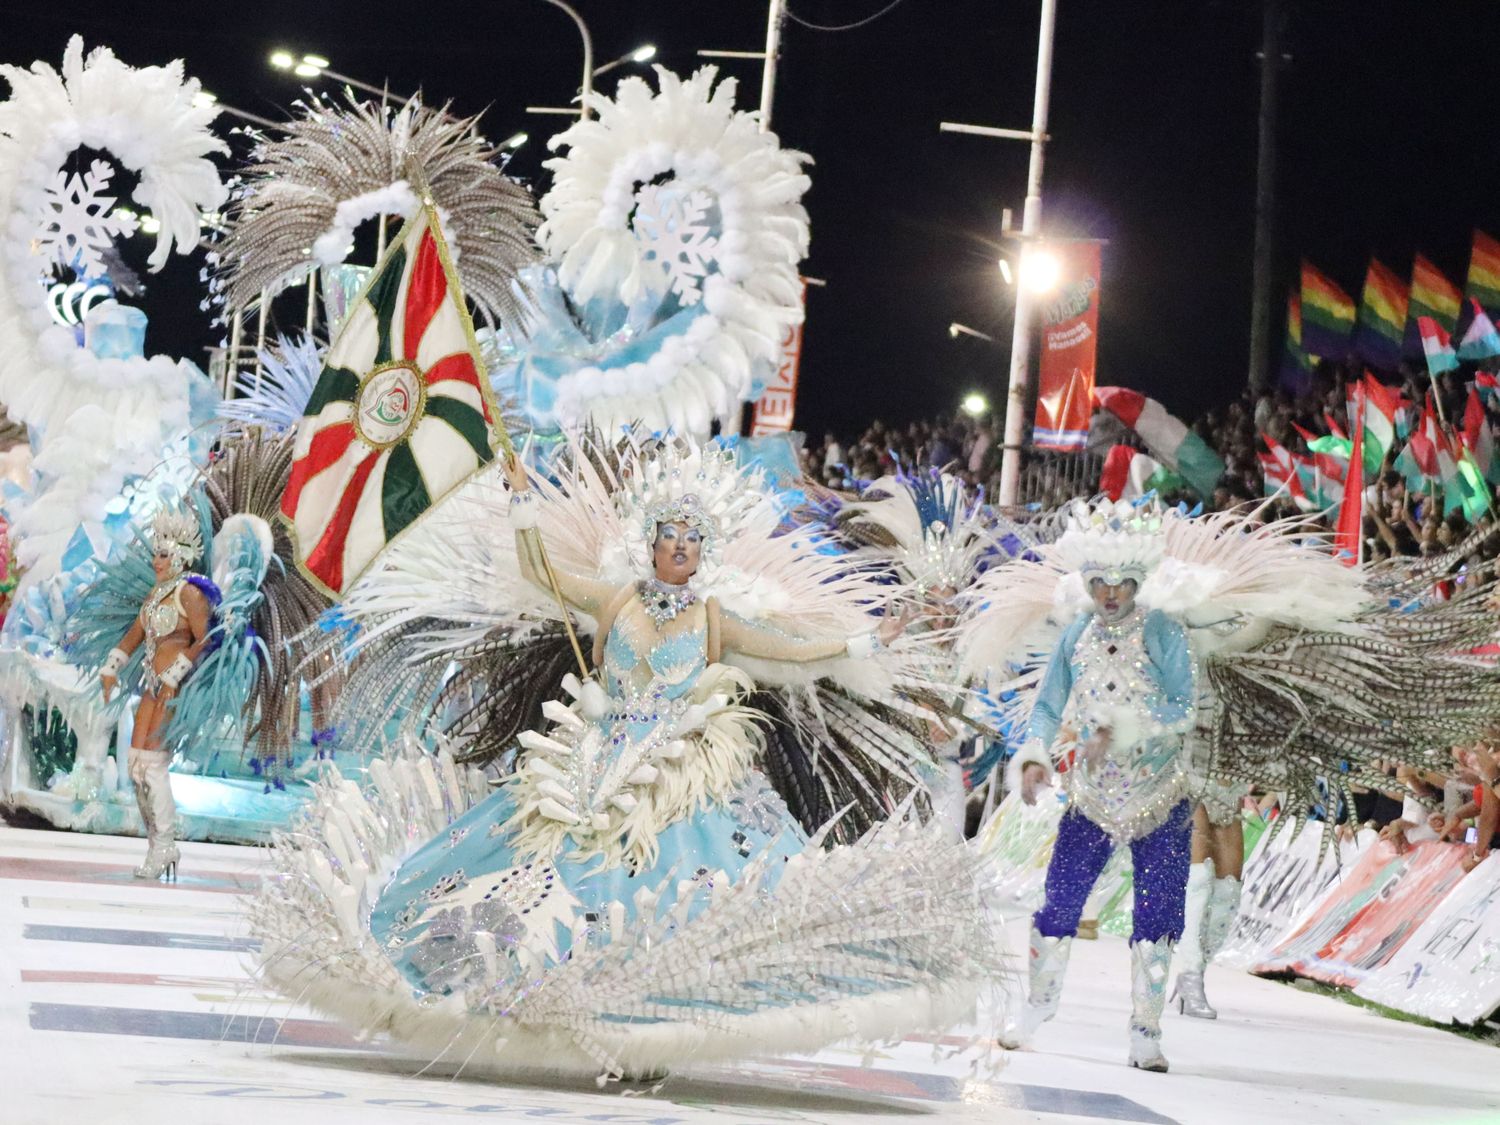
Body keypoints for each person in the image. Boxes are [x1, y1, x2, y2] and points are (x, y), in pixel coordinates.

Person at [252, 437, 1004, 1082]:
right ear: (652, 543)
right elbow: (542, 571)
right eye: (670, 538)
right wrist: (521, 503)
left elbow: (796, 650)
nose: (680, 550)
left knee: (665, 889)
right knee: (534, 864)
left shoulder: (714, 615)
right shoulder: (614, 601)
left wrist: (873, 639)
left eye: (692, 542)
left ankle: (637, 1021)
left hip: (674, 772)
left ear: (704, 552)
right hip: (589, 755)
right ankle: (534, 995)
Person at [999, 499, 1194, 1072]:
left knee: (1158, 912)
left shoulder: (1163, 630)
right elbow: (1047, 706)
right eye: (1100, 582)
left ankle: (1145, 1030)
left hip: (1160, 794)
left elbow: (1186, 709)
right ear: (1087, 582)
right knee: (1059, 902)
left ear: (1138, 580)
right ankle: (1036, 1009)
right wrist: (1034, 757)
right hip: (1091, 795)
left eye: (1122, 582)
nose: (1111, 593)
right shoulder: (1077, 633)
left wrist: (1126, 729)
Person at [98, 509, 213, 881]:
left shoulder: (191, 593)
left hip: (172, 687)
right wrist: (112, 666)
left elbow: (207, 638)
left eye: (163, 554)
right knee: (135, 764)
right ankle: (157, 845)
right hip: (152, 684)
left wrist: (176, 675)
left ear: (180, 555)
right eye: (156, 553)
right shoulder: (155, 593)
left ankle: (165, 845)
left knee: (153, 765)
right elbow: (136, 632)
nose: (156, 560)